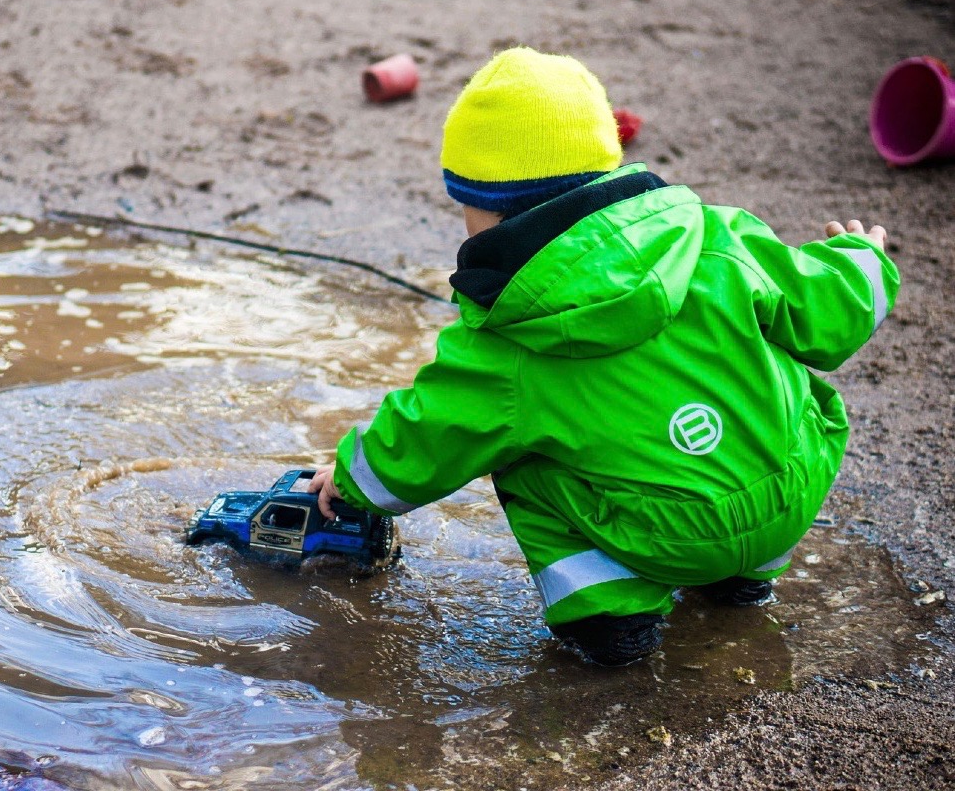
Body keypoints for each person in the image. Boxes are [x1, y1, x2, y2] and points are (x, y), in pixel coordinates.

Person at [309, 47, 899, 666]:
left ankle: (609, 617)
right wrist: (865, 259)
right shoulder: (718, 237)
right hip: (789, 494)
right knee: (774, 376)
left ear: (478, 205)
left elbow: (428, 435)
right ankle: (742, 581)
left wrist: (350, 482)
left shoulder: (503, 339)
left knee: (513, 453)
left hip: (664, 537)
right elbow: (828, 309)